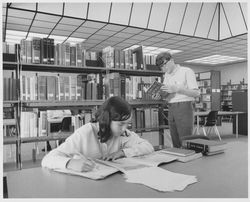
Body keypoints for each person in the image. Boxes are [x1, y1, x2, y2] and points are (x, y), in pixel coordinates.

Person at [41, 96, 154, 172]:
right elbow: (47, 159)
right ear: (107, 120)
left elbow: (148, 146)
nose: (125, 128)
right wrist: (70, 163)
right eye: (121, 124)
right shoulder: (85, 132)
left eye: (127, 124)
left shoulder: (123, 133)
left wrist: (123, 152)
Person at [155, 51, 200, 148]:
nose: (164, 69)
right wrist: (161, 96)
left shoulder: (187, 71)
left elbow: (196, 93)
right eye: (161, 67)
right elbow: (169, 96)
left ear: (172, 60)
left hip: (184, 106)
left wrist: (179, 89)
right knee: (175, 139)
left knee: (185, 139)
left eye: (165, 65)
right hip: (171, 107)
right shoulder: (167, 75)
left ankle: (188, 160)